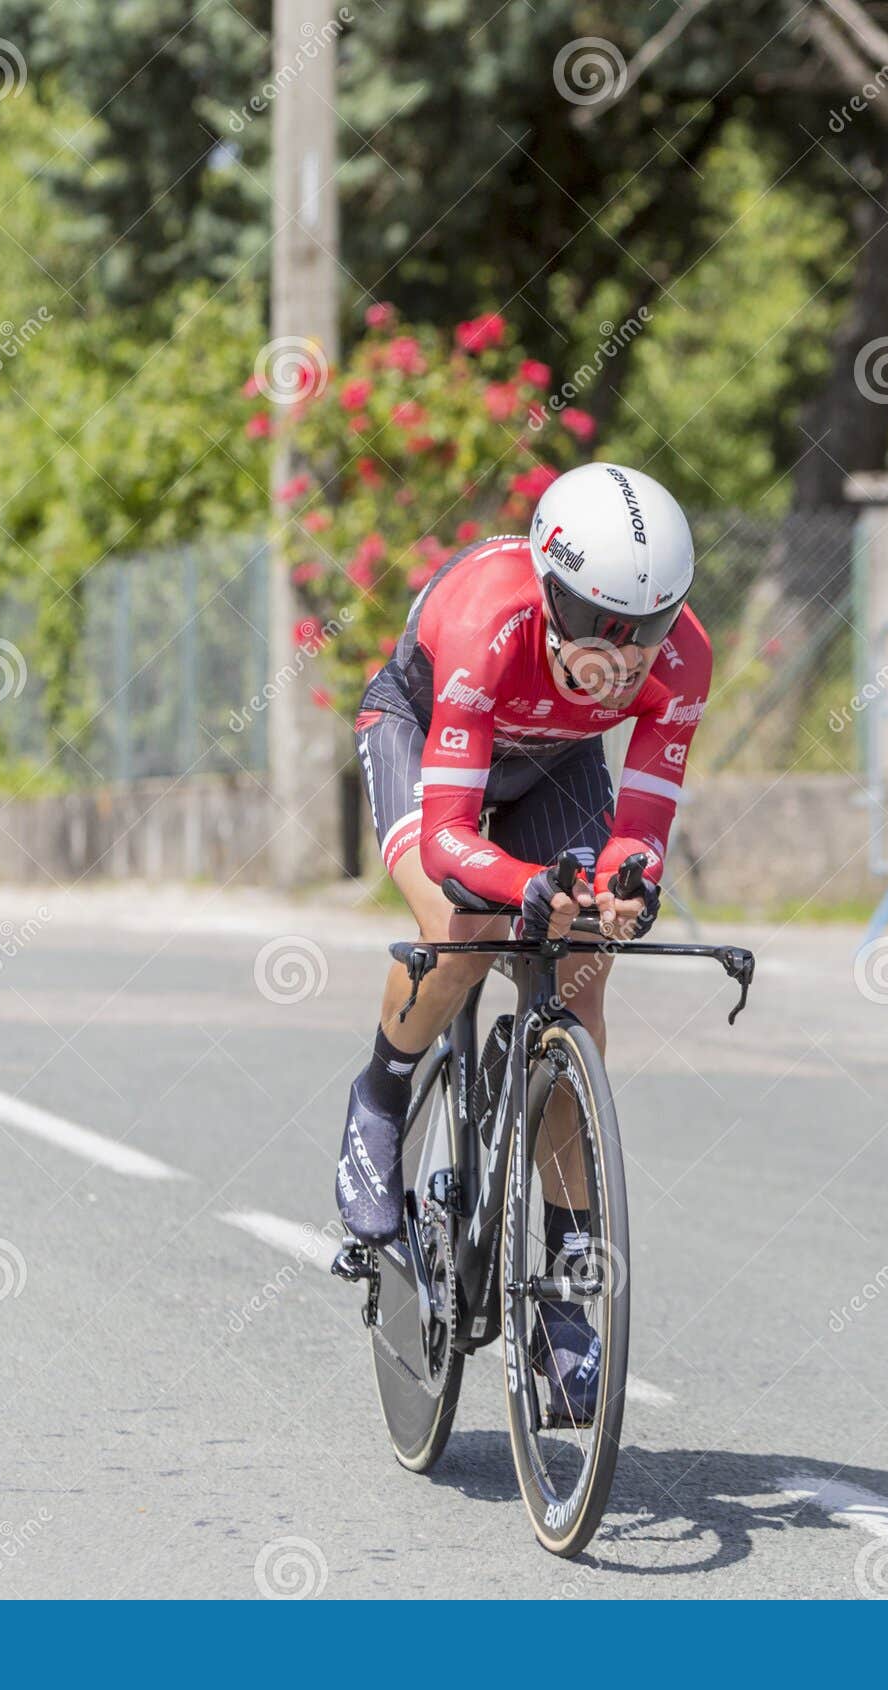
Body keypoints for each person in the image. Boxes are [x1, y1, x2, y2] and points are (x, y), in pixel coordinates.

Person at [335, 460, 712, 1418]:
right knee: (461, 930)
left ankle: (570, 1288)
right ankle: (378, 1101)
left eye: (649, 630)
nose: (623, 657)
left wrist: (627, 885)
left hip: (554, 762)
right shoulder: (484, 622)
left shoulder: (684, 659)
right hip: (427, 733)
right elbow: (457, 840)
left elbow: (644, 824)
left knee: (579, 971)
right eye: (595, 625)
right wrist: (530, 887)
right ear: (549, 590)